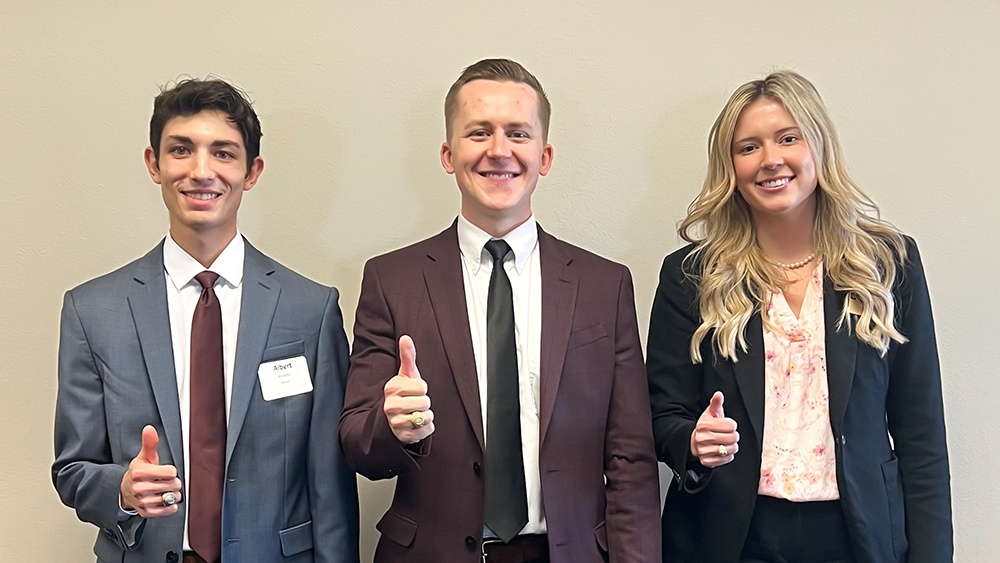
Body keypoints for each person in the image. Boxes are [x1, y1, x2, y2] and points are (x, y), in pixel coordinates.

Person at [339, 58, 660, 563]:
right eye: (479, 133)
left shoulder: (605, 285)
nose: (499, 150)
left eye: (518, 133)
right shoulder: (391, 279)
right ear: (448, 154)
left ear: (545, 155)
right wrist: (392, 424)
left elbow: (631, 460)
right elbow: (359, 447)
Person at [647, 70, 952, 563]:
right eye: (748, 147)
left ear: (819, 147)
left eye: (788, 138)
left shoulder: (887, 264)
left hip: (857, 535)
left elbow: (921, 433)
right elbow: (662, 416)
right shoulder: (692, 275)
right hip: (731, 537)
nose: (771, 160)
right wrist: (693, 441)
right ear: (730, 167)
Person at [52, 78, 359, 563]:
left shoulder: (311, 309)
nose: (201, 171)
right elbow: (72, 470)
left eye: (223, 153)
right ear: (154, 164)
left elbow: (330, 485)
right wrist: (122, 488)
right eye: (181, 150)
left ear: (251, 171)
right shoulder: (92, 311)